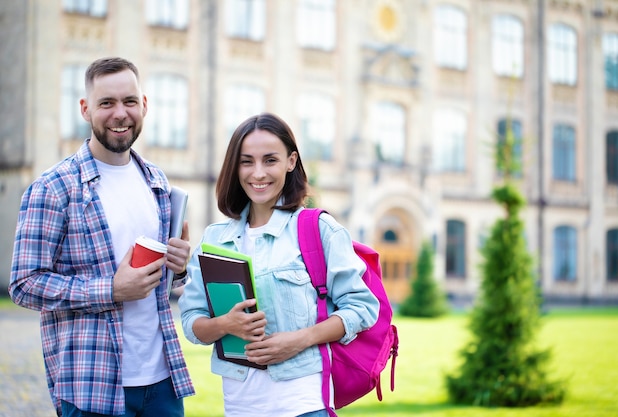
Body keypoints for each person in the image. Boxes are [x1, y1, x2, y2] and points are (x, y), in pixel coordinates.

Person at [9, 57, 195, 416]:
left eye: (128, 101)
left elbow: (159, 286)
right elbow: (23, 284)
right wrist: (110, 290)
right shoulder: (52, 188)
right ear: (85, 109)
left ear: (144, 104)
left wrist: (179, 268)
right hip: (92, 387)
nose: (119, 114)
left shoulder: (156, 181)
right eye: (106, 103)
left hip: (162, 382)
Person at [178, 112, 379, 417]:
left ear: (291, 161)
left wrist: (299, 340)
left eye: (270, 160)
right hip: (239, 407)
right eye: (247, 161)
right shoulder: (214, 240)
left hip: (303, 405)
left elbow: (362, 308)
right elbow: (193, 322)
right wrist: (224, 325)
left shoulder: (319, 229)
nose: (258, 173)